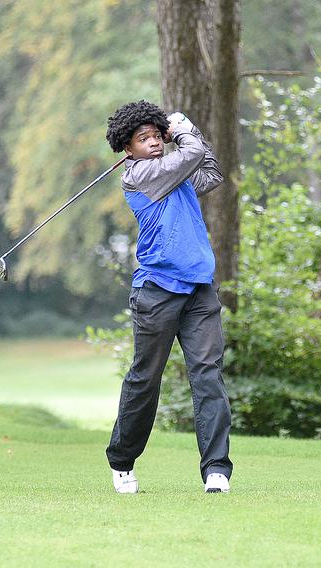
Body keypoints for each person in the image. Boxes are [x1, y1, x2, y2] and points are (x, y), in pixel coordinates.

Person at [104, 100, 231, 494]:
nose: (155, 143)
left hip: (198, 291)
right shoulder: (141, 175)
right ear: (129, 150)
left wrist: (187, 132)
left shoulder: (174, 178)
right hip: (156, 292)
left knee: (208, 376)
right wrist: (182, 131)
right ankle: (122, 462)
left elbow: (210, 171)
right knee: (146, 379)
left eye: (157, 136)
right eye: (143, 139)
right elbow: (190, 153)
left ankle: (216, 469)